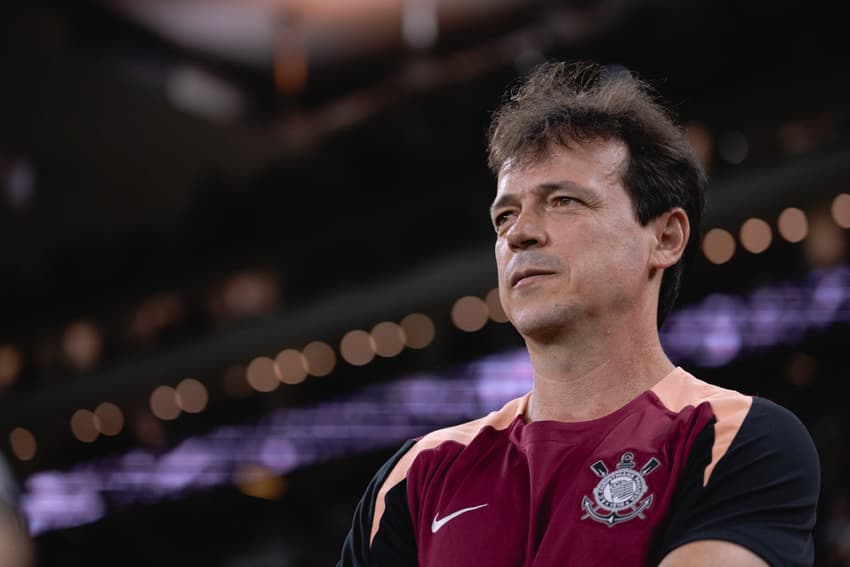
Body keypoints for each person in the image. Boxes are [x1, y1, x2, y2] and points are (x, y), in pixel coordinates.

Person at [337, 60, 820, 566]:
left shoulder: (736, 439)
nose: (519, 233)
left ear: (666, 237)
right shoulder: (414, 475)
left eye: (563, 201)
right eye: (505, 215)